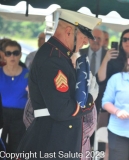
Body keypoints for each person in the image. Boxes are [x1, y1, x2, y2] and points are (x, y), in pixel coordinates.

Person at [16, 8, 101, 159]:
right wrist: (88, 100)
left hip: (56, 140)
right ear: (69, 31)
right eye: (83, 36)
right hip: (52, 142)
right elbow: (61, 110)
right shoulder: (53, 59)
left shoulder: (60, 56)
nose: (86, 42)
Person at [0, 40, 29, 154]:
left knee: (16, 147)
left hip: (20, 116)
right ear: (4, 56)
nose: (12, 56)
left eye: (16, 53)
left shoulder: (28, 74)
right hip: (2, 114)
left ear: (20, 55)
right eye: (9, 53)